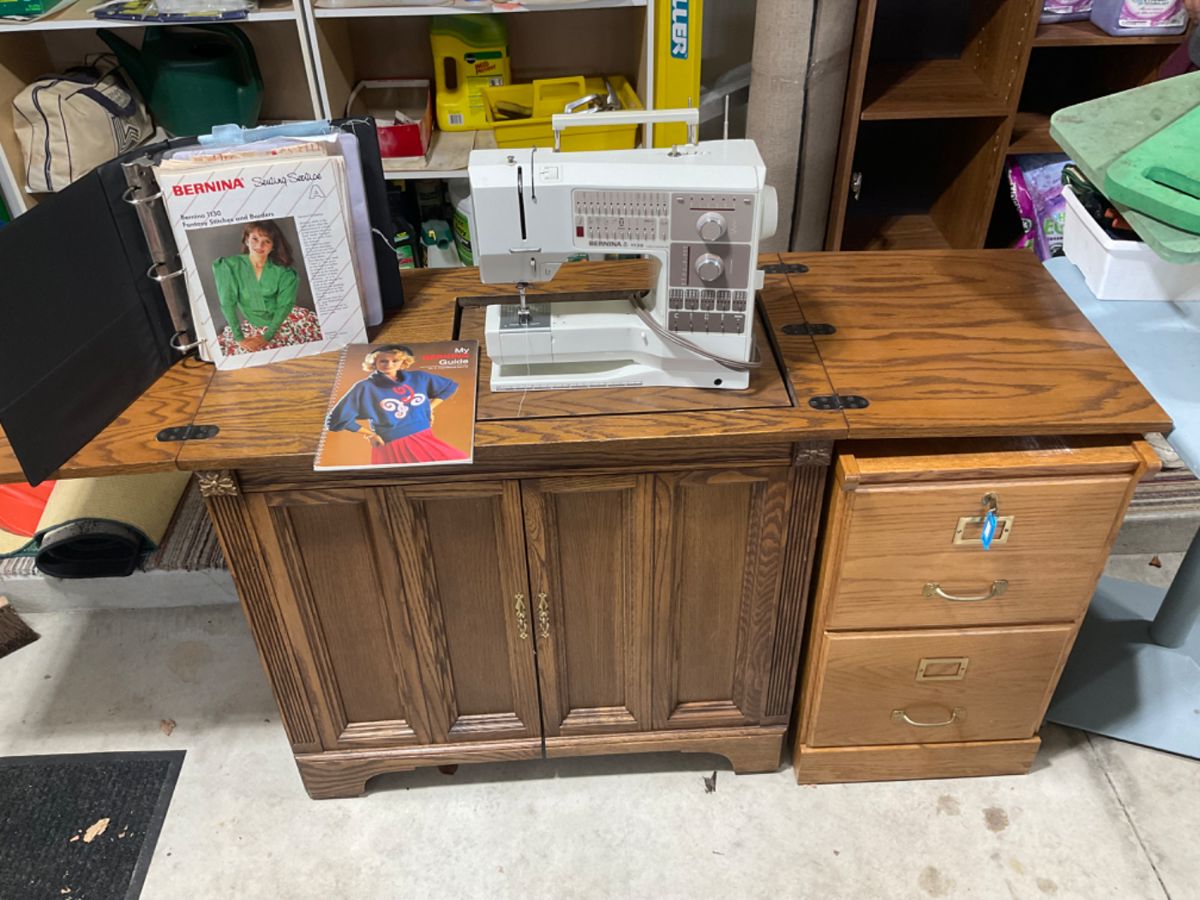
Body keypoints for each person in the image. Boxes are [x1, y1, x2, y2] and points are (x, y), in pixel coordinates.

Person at [325, 344, 468, 464]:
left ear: (403, 362)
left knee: (456, 465)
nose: (389, 365)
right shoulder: (365, 387)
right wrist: (370, 434)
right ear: (374, 363)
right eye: (383, 361)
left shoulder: (419, 377)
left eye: (394, 361)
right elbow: (335, 419)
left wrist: (429, 408)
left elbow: (448, 387)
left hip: (425, 435)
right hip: (394, 444)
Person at [212, 221, 322, 356]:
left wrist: (267, 336)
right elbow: (227, 303)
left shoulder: (284, 272)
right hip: (251, 325)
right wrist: (239, 338)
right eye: (255, 239)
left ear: (273, 247)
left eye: (267, 241)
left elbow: (285, 306)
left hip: (283, 320)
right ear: (246, 239)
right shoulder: (229, 266)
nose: (259, 245)